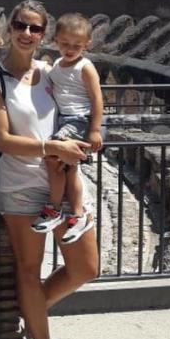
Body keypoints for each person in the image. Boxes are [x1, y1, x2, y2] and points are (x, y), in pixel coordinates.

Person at [0, 0, 100, 339]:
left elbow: (82, 107)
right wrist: (54, 147)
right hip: (20, 185)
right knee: (28, 270)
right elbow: (2, 140)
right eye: (21, 25)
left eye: (35, 28)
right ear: (9, 28)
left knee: (86, 267)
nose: (27, 34)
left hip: (62, 183)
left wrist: (88, 136)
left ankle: (30, 309)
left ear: (45, 34)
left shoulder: (51, 73)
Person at [31, 13, 104, 245]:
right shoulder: (56, 67)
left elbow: (97, 99)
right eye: (65, 44)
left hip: (78, 120)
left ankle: (54, 208)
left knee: (53, 156)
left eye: (76, 46)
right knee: (69, 168)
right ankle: (77, 213)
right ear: (56, 41)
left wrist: (94, 130)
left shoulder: (85, 67)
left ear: (87, 45)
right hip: (63, 120)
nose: (70, 49)